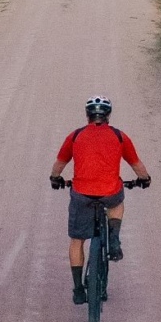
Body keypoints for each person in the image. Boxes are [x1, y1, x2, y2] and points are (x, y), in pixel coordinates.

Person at [49, 95, 150, 305]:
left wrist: (55, 179)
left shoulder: (75, 136)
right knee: (117, 201)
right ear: (108, 116)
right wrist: (145, 179)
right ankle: (113, 238)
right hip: (109, 192)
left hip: (81, 194)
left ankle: (78, 289)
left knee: (77, 241)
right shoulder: (119, 136)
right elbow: (137, 165)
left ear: (88, 115)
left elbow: (59, 164)